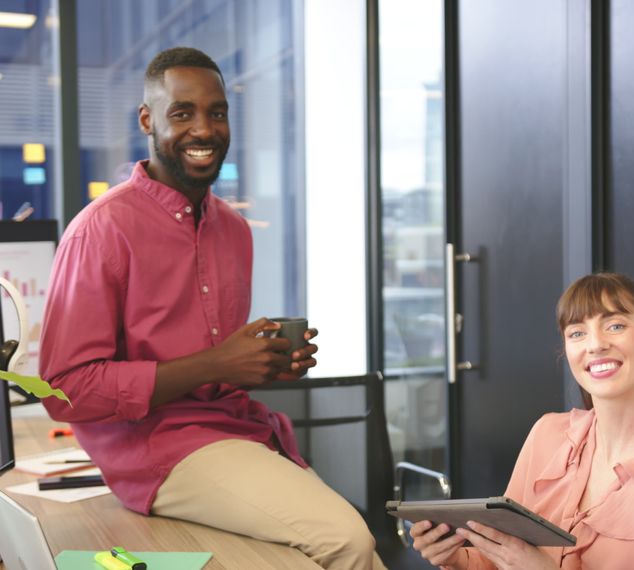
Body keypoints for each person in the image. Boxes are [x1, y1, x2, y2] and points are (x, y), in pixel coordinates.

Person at [39, 46, 384, 570]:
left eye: (217, 112)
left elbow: (212, 371)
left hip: (236, 431)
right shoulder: (100, 230)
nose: (204, 129)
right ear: (147, 120)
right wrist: (218, 364)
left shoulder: (234, 229)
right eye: (183, 113)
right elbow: (65, 390)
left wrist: (259, 365)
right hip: (156, 451)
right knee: (347, 540)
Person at [410, 273, 634, 569]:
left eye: (615, 325)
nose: (595, 344)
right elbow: (502, 557)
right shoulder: (547, 434)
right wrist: (458, 558)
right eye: (577, 332)